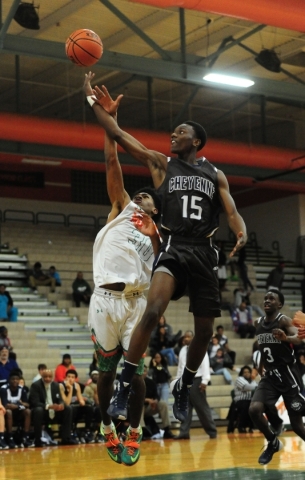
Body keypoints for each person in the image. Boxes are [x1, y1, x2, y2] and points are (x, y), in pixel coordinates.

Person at [83, 74, 247, 435]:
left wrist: (241, 228)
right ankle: (123, 390)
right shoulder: (161, 164)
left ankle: (184, 386)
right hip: (176, 247)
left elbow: (231, 208)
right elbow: (120, 138)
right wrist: (97, 106)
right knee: (154, 310)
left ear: (197, 140)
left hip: (204, 250)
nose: (173, 136)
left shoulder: (215, 173)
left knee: (204, 331)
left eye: (180, 132)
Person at [86, 86, 162, 468]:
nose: (145, 200)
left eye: (151, 200)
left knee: (137, 374)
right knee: (105, 371)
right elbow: (111, 159)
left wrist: (157, 239)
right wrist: (108, 120)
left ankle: (134, 430)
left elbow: (168, 270)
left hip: (136, 303)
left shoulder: (161, 235)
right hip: (105, 299)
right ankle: (105, 426)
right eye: (143, 196)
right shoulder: (123, 207)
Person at [249, 289, 305, 465]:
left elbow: (298, 339)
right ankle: (273, 443)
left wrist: (286, 337)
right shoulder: (257, 323)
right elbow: (263, 347)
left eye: (271, 299)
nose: (267, 300)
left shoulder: (283, 320)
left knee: (297, 426)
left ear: (279, 304)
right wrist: (259, 367)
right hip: (270, 377)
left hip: (288, 375)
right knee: (254, 410)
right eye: (265, 298)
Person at [174, 330, 217, 440]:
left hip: (197, 380)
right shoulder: (183, 350)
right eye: (185, 337)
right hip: (184, 381)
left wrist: (205, 380)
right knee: (184, 408)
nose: (186, 339)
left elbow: (205, 365)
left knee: (202, 408)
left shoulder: (200, 347)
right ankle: (184, 432)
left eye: (188, 337)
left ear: (193, 338)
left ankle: (212, 431)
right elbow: (180, 367)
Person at [29, 369, 76, 447]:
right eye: (45, 377)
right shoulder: (35, 385)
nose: (48, 378)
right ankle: (38, 439)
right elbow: (34, 402)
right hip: (43, 412)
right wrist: (49, 406)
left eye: (50, 377)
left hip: (54, 412)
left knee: (68, 408)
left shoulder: (56, 385)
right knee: (38, 410)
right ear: (41, 376)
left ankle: (66, 438)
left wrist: (60, 405)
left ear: (52, 377)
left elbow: (60, 399)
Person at [59, 369, 95, 444]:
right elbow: (67, 403)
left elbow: (81, 401)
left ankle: (87, 431)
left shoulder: (77, 385)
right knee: (71, 409)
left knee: (89, 408)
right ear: (65, 378)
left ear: (75, 379)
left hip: (74, 407)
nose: (70, 379)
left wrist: (82, 400)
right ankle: (71, 431)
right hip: (65, 410)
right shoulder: (61, 386)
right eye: (68, 377)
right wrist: (71, 389)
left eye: (72, 377)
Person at [0, 371, 33, 448]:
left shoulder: (22, 389)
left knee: (28, 412)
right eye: (13, 379)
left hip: (18, 412)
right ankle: (9, 437)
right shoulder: (3, 389)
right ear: (9, 380)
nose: (15, 381)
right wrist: (20, 404)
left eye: (17, 379)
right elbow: (6, 405)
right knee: (8, 412)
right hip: (6, 414)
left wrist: (17, 406)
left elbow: (27, 404)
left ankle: (25, 437)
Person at [141, 365, 174, 439]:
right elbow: (133, 398)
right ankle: (142, 431)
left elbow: (156, 395)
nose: (143, 373)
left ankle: (167, 429)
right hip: (136, 409)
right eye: (141, 371)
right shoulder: (134, 382)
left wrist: (155, 401)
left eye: (145, 371)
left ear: (147, 372)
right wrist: (147, 400)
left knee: (163, 404)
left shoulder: (151, 382)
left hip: (149, 407)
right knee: (139, 405)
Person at [229, 365, 258, 434]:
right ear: (242, 373)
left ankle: (253, 426)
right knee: (246, 405)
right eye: (244, 372)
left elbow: (256, 388)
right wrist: (259, 386)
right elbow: (246, 387)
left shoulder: (253, 381)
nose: (247, 373)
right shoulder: (239, 379)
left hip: (250, 400)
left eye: (248, 372)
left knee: (257, 406)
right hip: (240, 401)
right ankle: (241, 426)